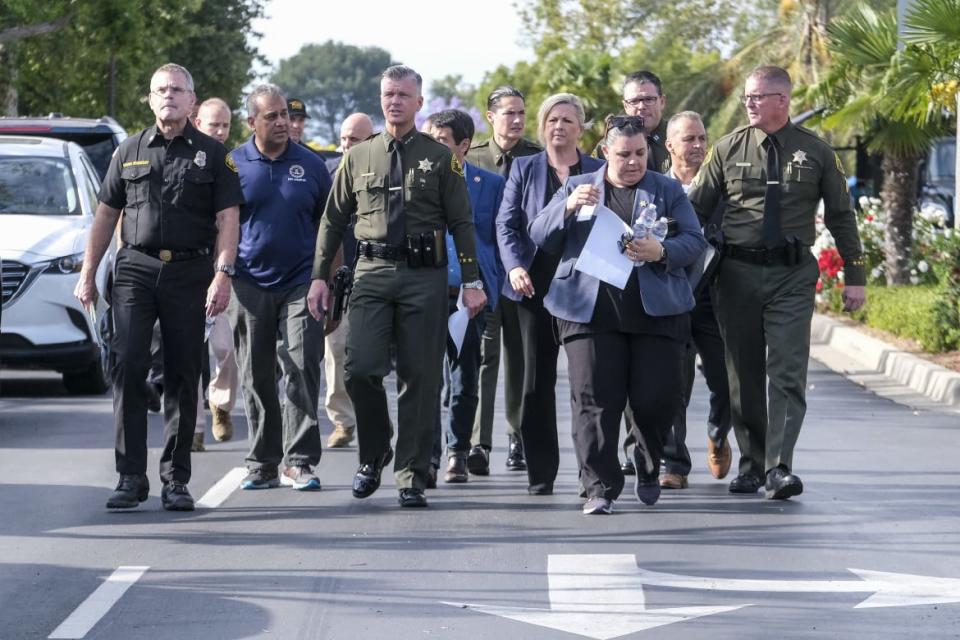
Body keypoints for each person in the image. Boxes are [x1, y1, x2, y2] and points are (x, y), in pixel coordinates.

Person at [307, 65, 486, 508]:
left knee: (419, 378)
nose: (395, 101)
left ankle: (410, 474)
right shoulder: (359, 155)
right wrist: (318, 278)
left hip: (423, 277)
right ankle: (375, 452)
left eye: (404, 95)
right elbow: (332, 219)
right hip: (370, 273)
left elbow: (462, 223)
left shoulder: (442, 158)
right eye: (388, 93)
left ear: (419, 103)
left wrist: (471, 281)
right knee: (360, 370)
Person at [688, 65, 866, 500]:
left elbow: (843, 216)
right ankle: (750, 464)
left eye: (757, 96)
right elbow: (694, 209)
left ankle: (779, 466)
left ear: (782, 100)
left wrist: (855, 277)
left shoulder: (817, 153)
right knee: (742, 373)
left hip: (791, 274)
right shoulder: (727, 149)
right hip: (736, 274)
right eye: (748, 96)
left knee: (787, 370)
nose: (748, 102)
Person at [74, 62, 243, 511]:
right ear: (150, 99)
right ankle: (130, 477)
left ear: (192, 99)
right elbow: (106, 215)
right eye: (160, 90)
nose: (168, 95)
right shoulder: (128, 150)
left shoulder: (213, 154)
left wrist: (223, 274)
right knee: (127, 367)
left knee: (183, 374)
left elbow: (228, 221)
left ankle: (176, 479)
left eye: (177, 89)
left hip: (191, 272)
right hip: (135, 268)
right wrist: (88, 273)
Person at [529, 116, 706, 514]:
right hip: (589, 312)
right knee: (593, 400)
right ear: (605, 152)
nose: (633, 162)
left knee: (655, 400)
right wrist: (568, 209)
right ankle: (599, 487)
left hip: (655, 314)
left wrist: (661, 253)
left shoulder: (667, 189)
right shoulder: (578, 187)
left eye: (640, 153)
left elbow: (695, 241)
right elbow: (539, 234)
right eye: (624, 154)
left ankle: (647, 464)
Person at [496, 92, 603, 495]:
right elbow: (506, 225)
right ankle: (541, 473)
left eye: (567, 121)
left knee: (586, 383)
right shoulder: (524, 168)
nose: (558, 127)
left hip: (581, 286)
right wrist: (515, 266)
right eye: (552, 120)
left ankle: (590, 473)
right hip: (530, 286)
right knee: (534, 384)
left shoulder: (597, 169)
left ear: (580, 128)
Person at [229, 84, 332, 491]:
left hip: (301, 283)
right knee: (255, 374)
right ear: (251, 121)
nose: (281, 122)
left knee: (302, 366)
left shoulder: (310, 164)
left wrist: (327, 280)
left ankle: (300, 460)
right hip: (248, 283)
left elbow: (331, 227)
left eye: (285, 115)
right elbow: (222, 224)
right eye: (270, 116)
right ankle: (262, 463)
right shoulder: (233, 164)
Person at [424, 109, 505, 484]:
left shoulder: (489, 184)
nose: (432, 147)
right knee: (424, 379)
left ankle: (457, 450)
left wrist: (489, 285)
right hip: (423, 292)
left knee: (464, 376)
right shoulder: (415, 182)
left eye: (441, 141)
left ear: (463, 145)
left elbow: (500, 239)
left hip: (469, 296)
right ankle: (426, 454)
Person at [467, 86, 541, 473]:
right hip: (483, 275)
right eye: (508, 113)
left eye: (521, 113)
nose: (516, 120)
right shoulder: (474, 158)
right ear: (491, 116)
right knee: (484, 357)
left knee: (520, 359)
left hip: (522, 274)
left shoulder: (536, 157)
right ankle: (479, 442)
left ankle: (518, 437)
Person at [657, 111, 733, 489]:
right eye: (689, 139)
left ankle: (718, 435)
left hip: (715, 298)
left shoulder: (724, 189)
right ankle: (674, 463)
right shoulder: (655, 189)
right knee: (674, 380)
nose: (698, 145)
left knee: (725, 378)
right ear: (670, 144)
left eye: (702, 138)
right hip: (674, 295)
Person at [324, 112, 374, 450]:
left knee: (367, 356)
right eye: (343, 138)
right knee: (335, 349)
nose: (346, 145)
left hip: (372, 273)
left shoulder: (382, 172)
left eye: (353, 139)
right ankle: (342, 420)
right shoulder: (325, 174)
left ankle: (368, 416)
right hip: (333, 277)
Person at [192, 96, 240, 450]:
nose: (221, 131)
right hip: (186, 266)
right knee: (188, 351)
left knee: (225, 348)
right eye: (214, 125)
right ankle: (192, 428)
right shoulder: (182, 156)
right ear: (197, 122)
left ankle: (220, 405)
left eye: (225, 125)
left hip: (221, 268)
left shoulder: (231, 163)